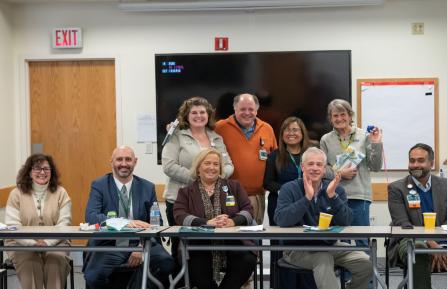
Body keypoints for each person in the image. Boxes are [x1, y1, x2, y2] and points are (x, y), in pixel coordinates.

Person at [274, 147, 373, 289]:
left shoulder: (335, 189)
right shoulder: (289, 188)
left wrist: (332, 196)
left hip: (331, 246)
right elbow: (281, 219)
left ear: (324, 168)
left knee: (366, 262)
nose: (314, 168)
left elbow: (347, 221)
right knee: (323, 259)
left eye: (319, 164)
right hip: (297, 249)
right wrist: (307, 198)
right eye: (310, 164)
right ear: (303, 166)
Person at [84, 146, 174, 289]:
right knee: (93, 276)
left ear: (135, 162)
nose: (124, 164)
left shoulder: (147, 187)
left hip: (141, 243)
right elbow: (91, 217)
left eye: (128, 159)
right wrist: (126, 223)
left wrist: (141, 247)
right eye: (119, 159)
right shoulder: (99, 185)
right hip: (110, 246)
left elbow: (156, 222)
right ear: (111, 162)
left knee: (166, 262)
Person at [162, 96, 233, 267]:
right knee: (181, 247)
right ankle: (181, 284)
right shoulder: (177, 136)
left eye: (202, 112)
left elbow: (229, 165)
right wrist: (198, 179)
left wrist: (216, 177)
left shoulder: (216, 138)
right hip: (180, 200)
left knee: (206, 248)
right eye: (194, 112)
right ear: (186, 116)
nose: (198, 115)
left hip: (211, 200)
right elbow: (169, 165)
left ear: (208, 115)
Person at [174, 148, 257, 289]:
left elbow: (248, 210)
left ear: (220, 168)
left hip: (234, 242)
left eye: (216, 164)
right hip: (198, 244)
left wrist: (232, 221)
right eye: (207, 163)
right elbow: (179, 215)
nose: (211, 167)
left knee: (247, 260)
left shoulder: (234, 186)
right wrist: (206, 223)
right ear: (198, 167)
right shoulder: (186, 191)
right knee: (196, 266)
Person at [320, 99, 383, 245]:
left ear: (350, 116)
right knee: (341, 242)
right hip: (335, 195)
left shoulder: (364, 136)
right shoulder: (326, 139)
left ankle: (364, 268)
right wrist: (340, 173)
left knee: (362, 241)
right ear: (330, 118)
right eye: (335, 116)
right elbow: (322, 169)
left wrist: (376, 143)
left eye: (343, 114)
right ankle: (343, 269)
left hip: (359, 196)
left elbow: (375, 167)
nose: (339, 119)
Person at [5, 153, 72, 289]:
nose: (42, 172)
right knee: (30, 263)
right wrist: (32, 244)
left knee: (55, 261)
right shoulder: (16, 194)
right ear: (29, 172)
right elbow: (13, 226)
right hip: (20, 244)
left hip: (56, 243)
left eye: (46, 169)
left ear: (51, 172)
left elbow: (64, 224)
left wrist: (47, 243)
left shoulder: (61, 193)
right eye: (37, 168)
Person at [263, 116, 314, 288]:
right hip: (280, 206)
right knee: (281, 246)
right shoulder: (275, 156)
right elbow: (268, 183)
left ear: (302, 133)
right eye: (287, 130)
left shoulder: (311, 154)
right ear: (282, 134)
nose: (291, 133)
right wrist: (289, 191)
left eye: (295, 130)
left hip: (308, 205)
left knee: (307, 244)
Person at [388, 143, 447, 289]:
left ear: (431, 163)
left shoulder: (445, 185)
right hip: (408, 240)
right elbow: (403, 224)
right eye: (412, 160)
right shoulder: (397, 188)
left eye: (420, 160)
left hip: (443, 239)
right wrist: (430, 242)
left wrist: (440, 244)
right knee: (419, 249)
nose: (415, 165)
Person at [215, 93, 277, 225]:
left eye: (251, 109)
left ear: (257, 110)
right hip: (228, 195)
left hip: (257, 196)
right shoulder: (220, 127)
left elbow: (274, 160)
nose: (247, 113)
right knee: (230, 237)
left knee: (255, 238)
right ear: (235, 109)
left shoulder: (267, 129)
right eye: (242, 109)